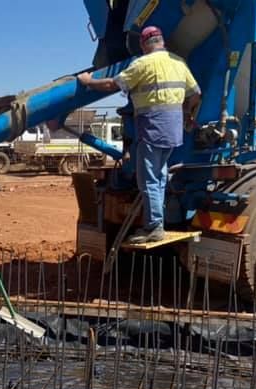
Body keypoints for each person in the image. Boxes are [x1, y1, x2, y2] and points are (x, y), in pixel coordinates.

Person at [77, 26, 201, 242]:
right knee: (160, 177)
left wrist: (88, 82)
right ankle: (157, 223)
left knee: (149, 181)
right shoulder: (179, 62)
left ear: (143, 44)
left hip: (152, 129)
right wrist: (186, 113)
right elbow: (196, 94)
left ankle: (154, 228)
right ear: (162, 42)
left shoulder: (143, 64)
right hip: (173, 131)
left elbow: (112, 84)